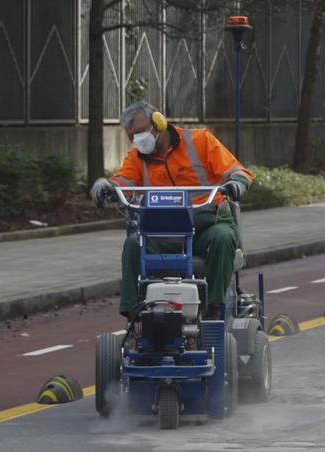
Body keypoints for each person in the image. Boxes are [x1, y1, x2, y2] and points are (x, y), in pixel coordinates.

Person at [91, 101, 251, 320]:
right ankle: (134, 315)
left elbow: (237, 171)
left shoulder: (200, 141)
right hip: (164, 231)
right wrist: (107, 187)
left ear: (159, 122)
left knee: (222, 238)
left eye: (140, 132)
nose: (137, 140)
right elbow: (123, 180)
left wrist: (236, 184)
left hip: (208, 224)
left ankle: (214, 308)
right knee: (133, 244)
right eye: (131, 137)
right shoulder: (137, 158)